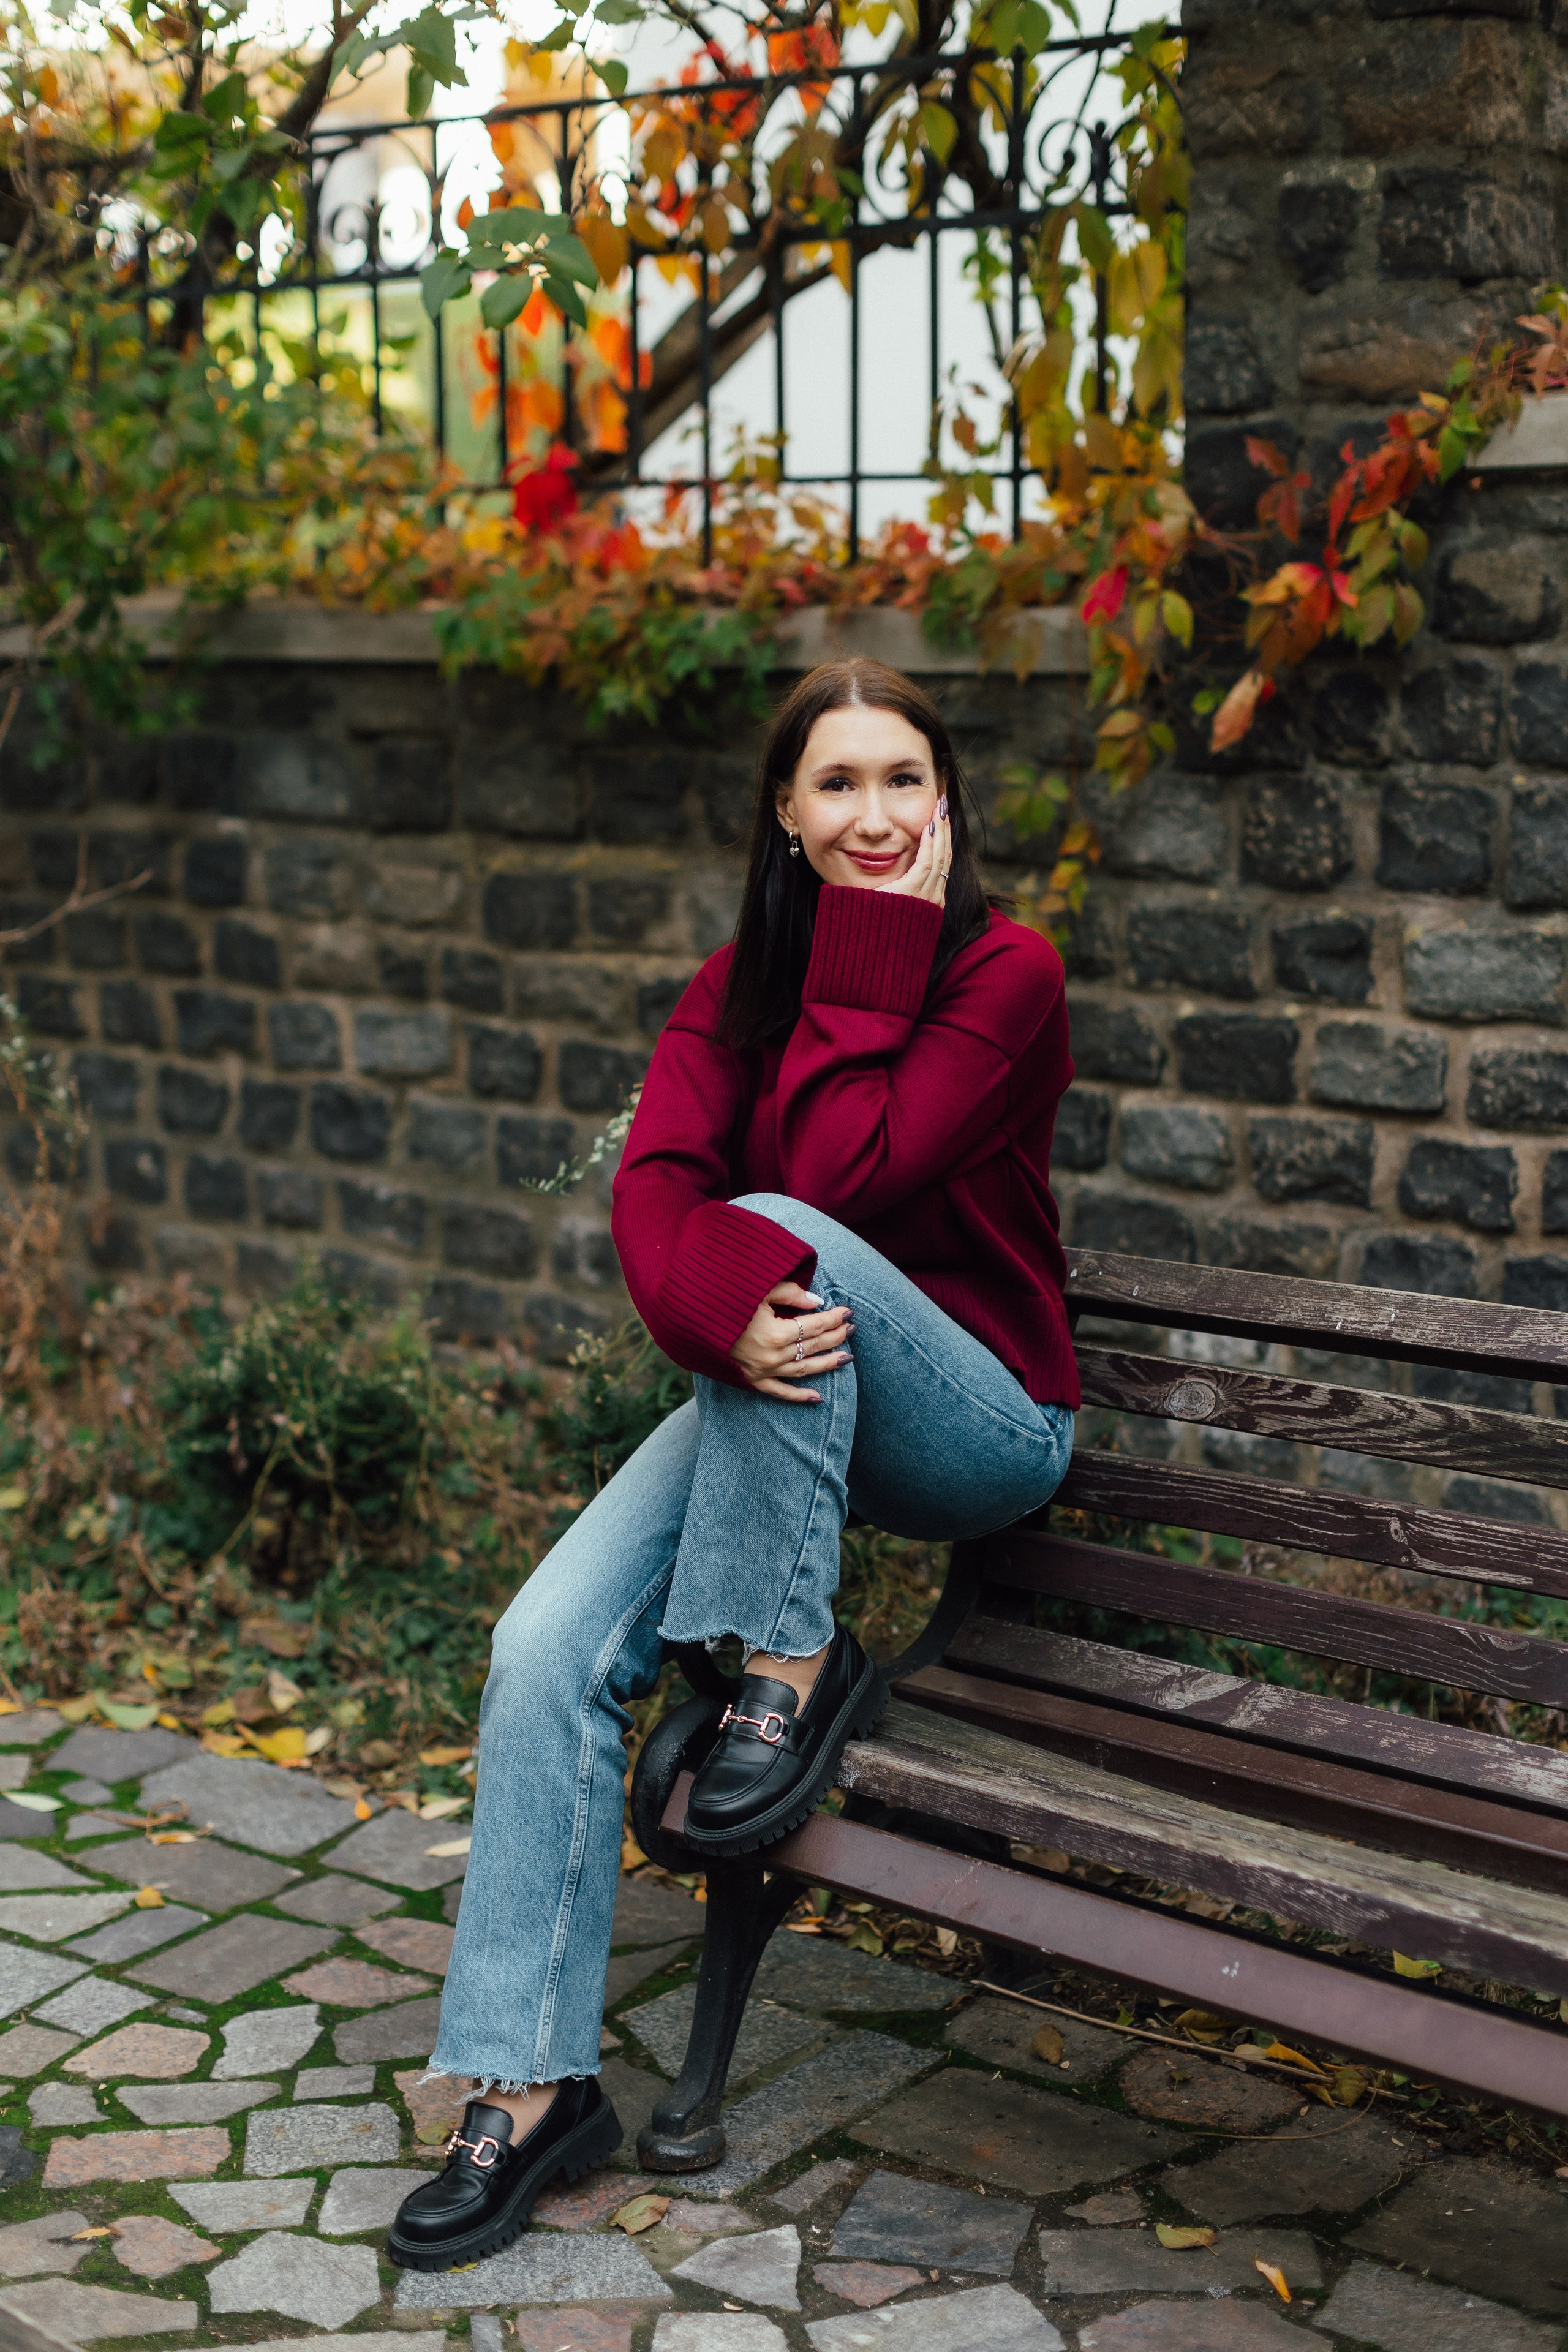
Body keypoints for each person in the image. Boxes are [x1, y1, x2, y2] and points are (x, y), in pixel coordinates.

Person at [388, 655, 1080, 2273]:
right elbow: (655, 1196)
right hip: (783, 1381)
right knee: (540, 1649)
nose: (875, 813)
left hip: (980, 1418)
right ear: (785, 811)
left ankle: (787, 1651)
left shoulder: (1007, 976)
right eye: (836, 784)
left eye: (903, 778)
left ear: (947, 799)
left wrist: (741, 1279)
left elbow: (840, 1172)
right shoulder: (731, 990)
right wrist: (731, 1321)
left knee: (787, 1233)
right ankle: (529, 2088)